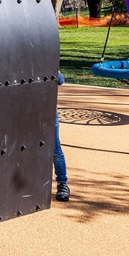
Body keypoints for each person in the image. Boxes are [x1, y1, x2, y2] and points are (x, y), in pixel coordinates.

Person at [55, 71, 70, 202]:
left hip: (48, 111)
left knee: (55, 149)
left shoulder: (48, 62)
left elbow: (60, 80)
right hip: (27, 110)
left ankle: (62, 183)